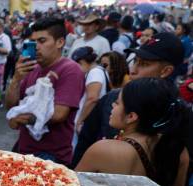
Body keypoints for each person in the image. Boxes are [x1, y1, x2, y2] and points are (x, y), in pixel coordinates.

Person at [72, 32, 185, 167]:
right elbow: (85, 143)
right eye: (135, 61)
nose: (133, 70)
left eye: (143, 64)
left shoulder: (177, 114)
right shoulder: (112, 98)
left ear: (166, 71)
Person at [76, 78, 189, 186]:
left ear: (131, 116)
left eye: (118, 103)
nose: (112, 105)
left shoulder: (104, 150)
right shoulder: (178, 149)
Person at [5, 17, 85, 166]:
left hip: (51, 155)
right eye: (33, 42)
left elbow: (59, 114)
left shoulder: (70, 70)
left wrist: (23, 118)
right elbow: (11, 105)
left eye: (42, 41)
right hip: (25, 149)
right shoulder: (32, 69)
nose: (36, 47)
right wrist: (16, 79)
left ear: (60, 42)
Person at [71, 47, 108, 148]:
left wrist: (79, 121)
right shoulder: (99, 71)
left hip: (89, 122)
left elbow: (92, 98)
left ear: (82, 62)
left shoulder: (94, 72)